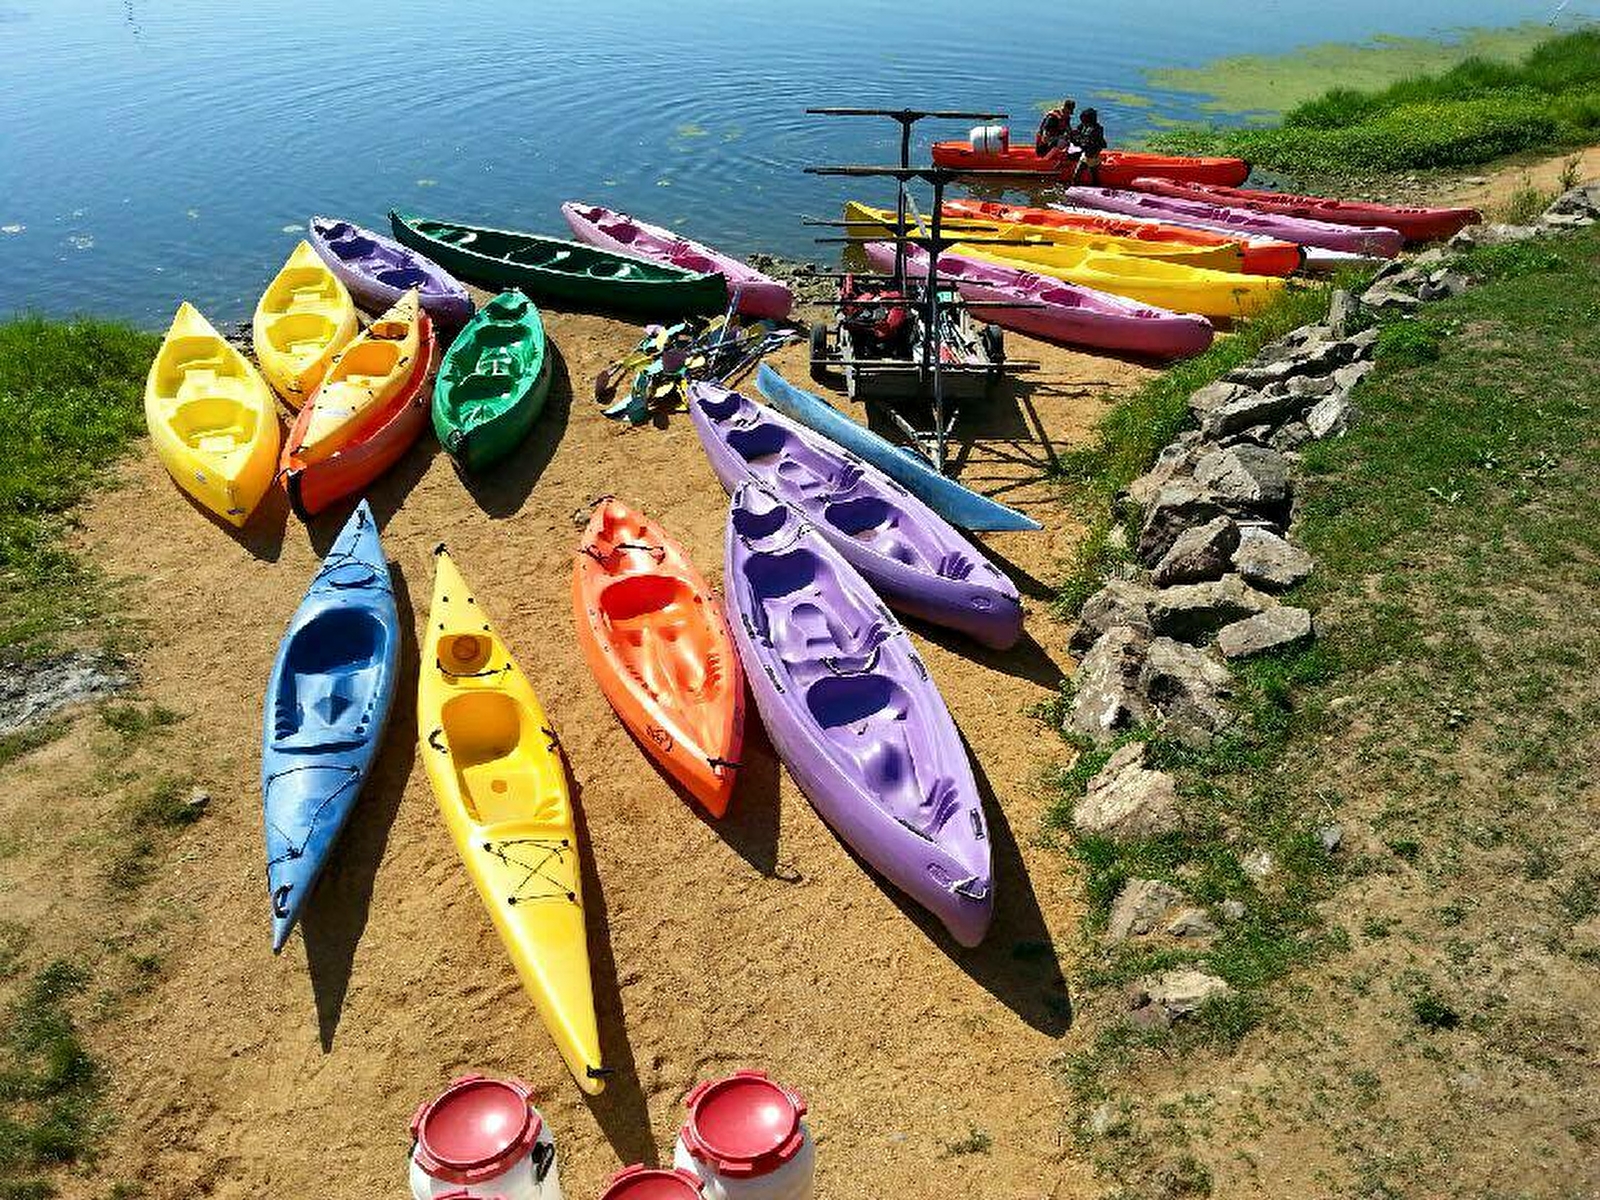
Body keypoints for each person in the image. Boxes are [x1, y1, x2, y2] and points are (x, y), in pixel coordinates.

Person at [1070, 107, 1108, 185]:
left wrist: (1072, 139)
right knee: (1090, 173)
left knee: (1079, 175)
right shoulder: (1090, 126)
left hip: (1091, 156)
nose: (1082, 122)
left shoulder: (1093, 131)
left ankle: (1077, 186)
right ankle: (1094, 185)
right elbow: (1079, 130)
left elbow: (1083, 144)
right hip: (1090, 154)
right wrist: (1075, 133)